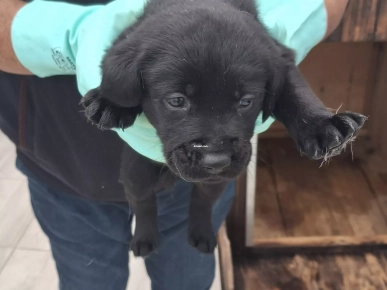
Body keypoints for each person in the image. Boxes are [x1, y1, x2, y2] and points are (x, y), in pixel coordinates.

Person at [0, 0, 348, 289]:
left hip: (193, 195)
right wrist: (66, 37)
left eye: (245, 102)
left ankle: (197, 216)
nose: (213, 153)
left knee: (189, 275)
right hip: (64, 165)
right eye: (179, 101)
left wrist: (297, 22)